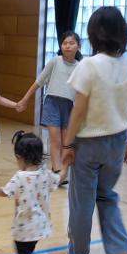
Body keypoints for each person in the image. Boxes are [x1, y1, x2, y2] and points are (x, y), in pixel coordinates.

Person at [61, 6, 127, 254]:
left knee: (82, 200)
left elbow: (79, 110)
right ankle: (119, 249)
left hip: (90, 143)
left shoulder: (89, 65)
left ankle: (78, 253)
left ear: (94, 34)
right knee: (106, 196)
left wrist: (68, 144)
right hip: (118, 141)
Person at [0, 131, 59, 254]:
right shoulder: (45, 172)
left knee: (21, 249)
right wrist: (65, 166)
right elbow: (58, 179)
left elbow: (4, 192)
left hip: (26, 224)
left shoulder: (20, 177)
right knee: (28, 244)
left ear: (20, 157)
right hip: (41, 223)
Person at [16, 31, 82, 183]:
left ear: (78, 46)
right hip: (52, 102)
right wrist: (25, 99)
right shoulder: (55, 61)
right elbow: (39, 82)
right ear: (61, 46)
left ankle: (61, 171)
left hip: (69, 106)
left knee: (67, 141)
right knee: (55, 140)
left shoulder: (80, 67)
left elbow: (81, 91)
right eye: (65, 43)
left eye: (71, 43)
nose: (68, 46)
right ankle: (57, 170)